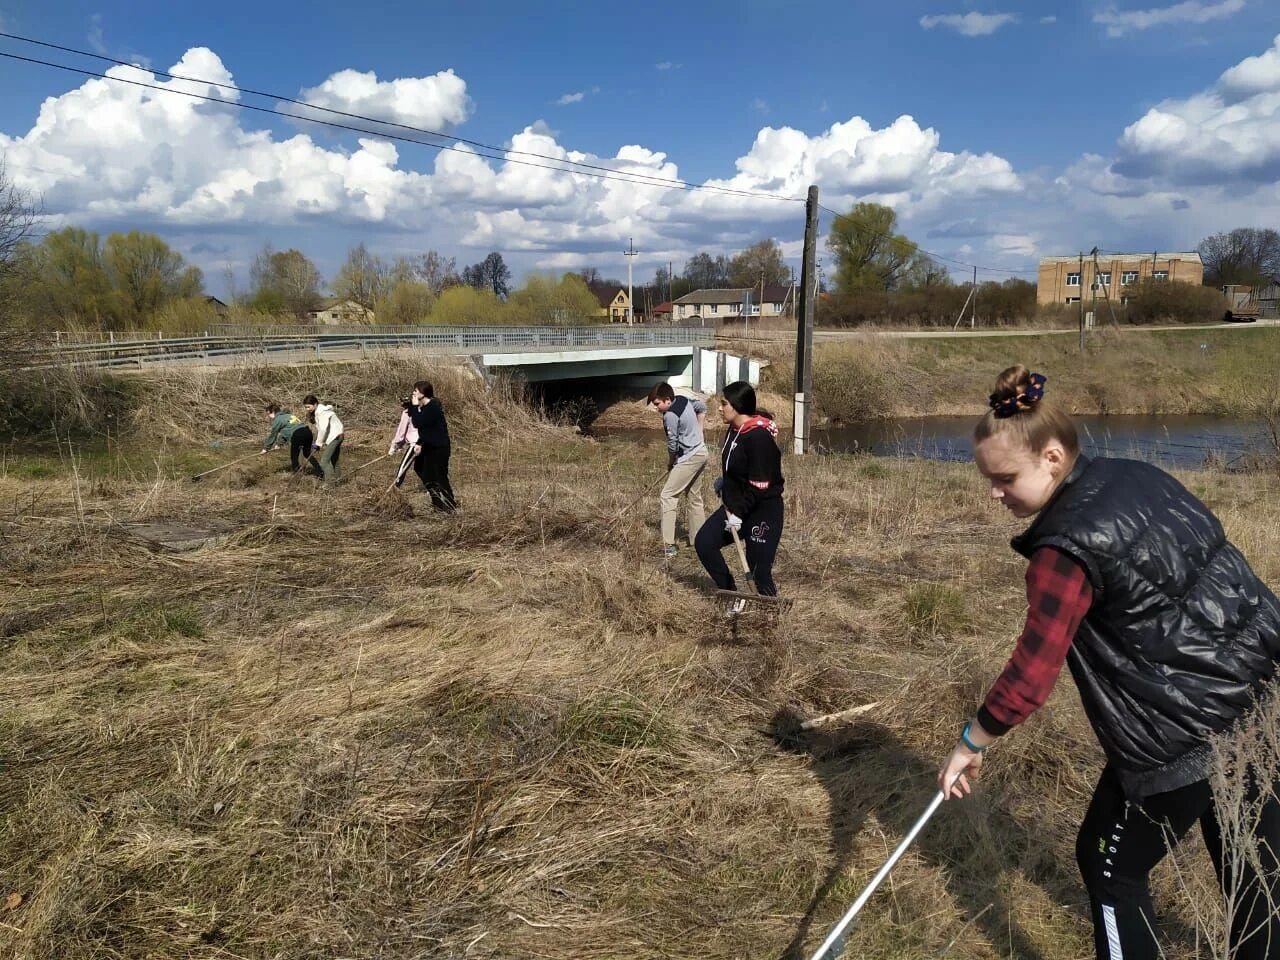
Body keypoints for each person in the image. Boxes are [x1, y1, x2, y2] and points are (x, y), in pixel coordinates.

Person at [936, 364, 1280, 960]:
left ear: (1050, 457)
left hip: (1182, 736)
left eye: (1004, 478)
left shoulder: (1063, 547)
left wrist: (972, 740)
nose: (994, 493)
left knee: (1109, 865)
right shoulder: (1137, 474)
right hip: (1263, 698)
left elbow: (1031, 673)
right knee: (1252, 863)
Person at [694, 380, 784, 605]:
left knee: (758, 571)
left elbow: (759, 485)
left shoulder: (759, 438)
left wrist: (738, 515)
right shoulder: (735, 430)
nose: (720, 408)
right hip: (735, 506)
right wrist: (726, 482)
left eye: (724, 403)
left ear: (737, 405)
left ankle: (771, 616)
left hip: (761, 511)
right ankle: (731, 594)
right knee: (704, 542)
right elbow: (739, 466)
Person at [648, 381, 708, 559]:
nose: (657, 408)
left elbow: (672, 444)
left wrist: (671, 462)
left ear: (667, 400)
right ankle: (700, 541)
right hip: (702, 452)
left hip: (689, 457)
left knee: (667, 496)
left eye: (658, 404)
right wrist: (699, 430)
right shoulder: (683, 399)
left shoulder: (670, 416)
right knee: (694, 497)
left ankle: (669, 546)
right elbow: (702, 406)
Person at [406, 380, 456, 511]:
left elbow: (418, 423)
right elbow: (426, 430)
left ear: (423, 393)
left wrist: (414, 406)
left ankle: (450, 506)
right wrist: (419, 444)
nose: (413, 393)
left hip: (439, 448)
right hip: (428, 446)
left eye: (416, 391)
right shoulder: (422, 408)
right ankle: (437, 501)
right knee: (420, 468)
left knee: (440, 476)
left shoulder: (433, 407)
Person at [260, 402, 315, 473]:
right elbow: (287, 432)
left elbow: (273, 435)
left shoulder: (277, 420)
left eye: (269, 414)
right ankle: (320, 471)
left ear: (273, 412)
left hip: (298, 434)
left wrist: (266, 448)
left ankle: (296, 477)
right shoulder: (288, 415)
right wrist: (279, 444)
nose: (269, 416)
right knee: (307, 454)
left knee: (294, 457)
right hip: (308, 432)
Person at [303, 394, 344, 483]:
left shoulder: (322, 412)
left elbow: (323, 429)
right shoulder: (319, 412)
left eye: (308, 407)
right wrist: (318, 442)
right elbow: (322, 430)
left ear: (315, 404)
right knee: (334, 460)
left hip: (335, 437)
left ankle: (330, 483)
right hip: (338, 435)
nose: (307, 409)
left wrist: (318, 443)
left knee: (324, 462)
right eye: (305, 407)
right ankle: (338, 482)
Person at [388, 395, 419, 485]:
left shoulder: (407, 413)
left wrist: (394, 446)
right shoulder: (420, 411)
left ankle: (396, 485)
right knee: (423, 467)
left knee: (404, 465)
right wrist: (400, 445)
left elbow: (401, 433)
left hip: (415, 444)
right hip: (424, 442)